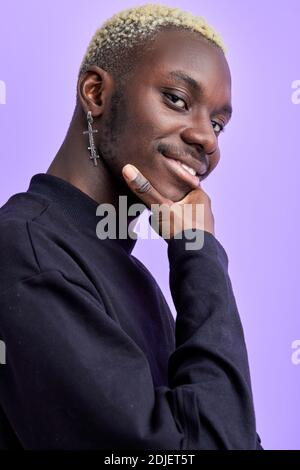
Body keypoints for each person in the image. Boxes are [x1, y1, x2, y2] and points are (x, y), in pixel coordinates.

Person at [0, 3, 263, 449]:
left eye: (218, 123)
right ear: (96, 93)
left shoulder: (128, 276)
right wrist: (200, 253)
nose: (207, 139)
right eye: (177, 100)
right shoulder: (26, 253)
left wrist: (195, 252)